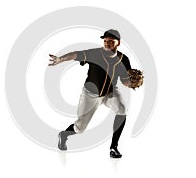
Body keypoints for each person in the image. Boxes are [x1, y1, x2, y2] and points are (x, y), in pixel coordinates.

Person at [49, 29, 133, 158]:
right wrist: (61, 59)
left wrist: (132, 82)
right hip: (90, 94)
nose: (107, 43)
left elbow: (125, 82)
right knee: (80, 128)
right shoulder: (95, 53)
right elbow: (76, 54)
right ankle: (64, 135)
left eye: (111, 41)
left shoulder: (123, 59)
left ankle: (113, 147)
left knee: (122, 109)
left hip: (110, 92)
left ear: (118, 43)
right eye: (105, 41)